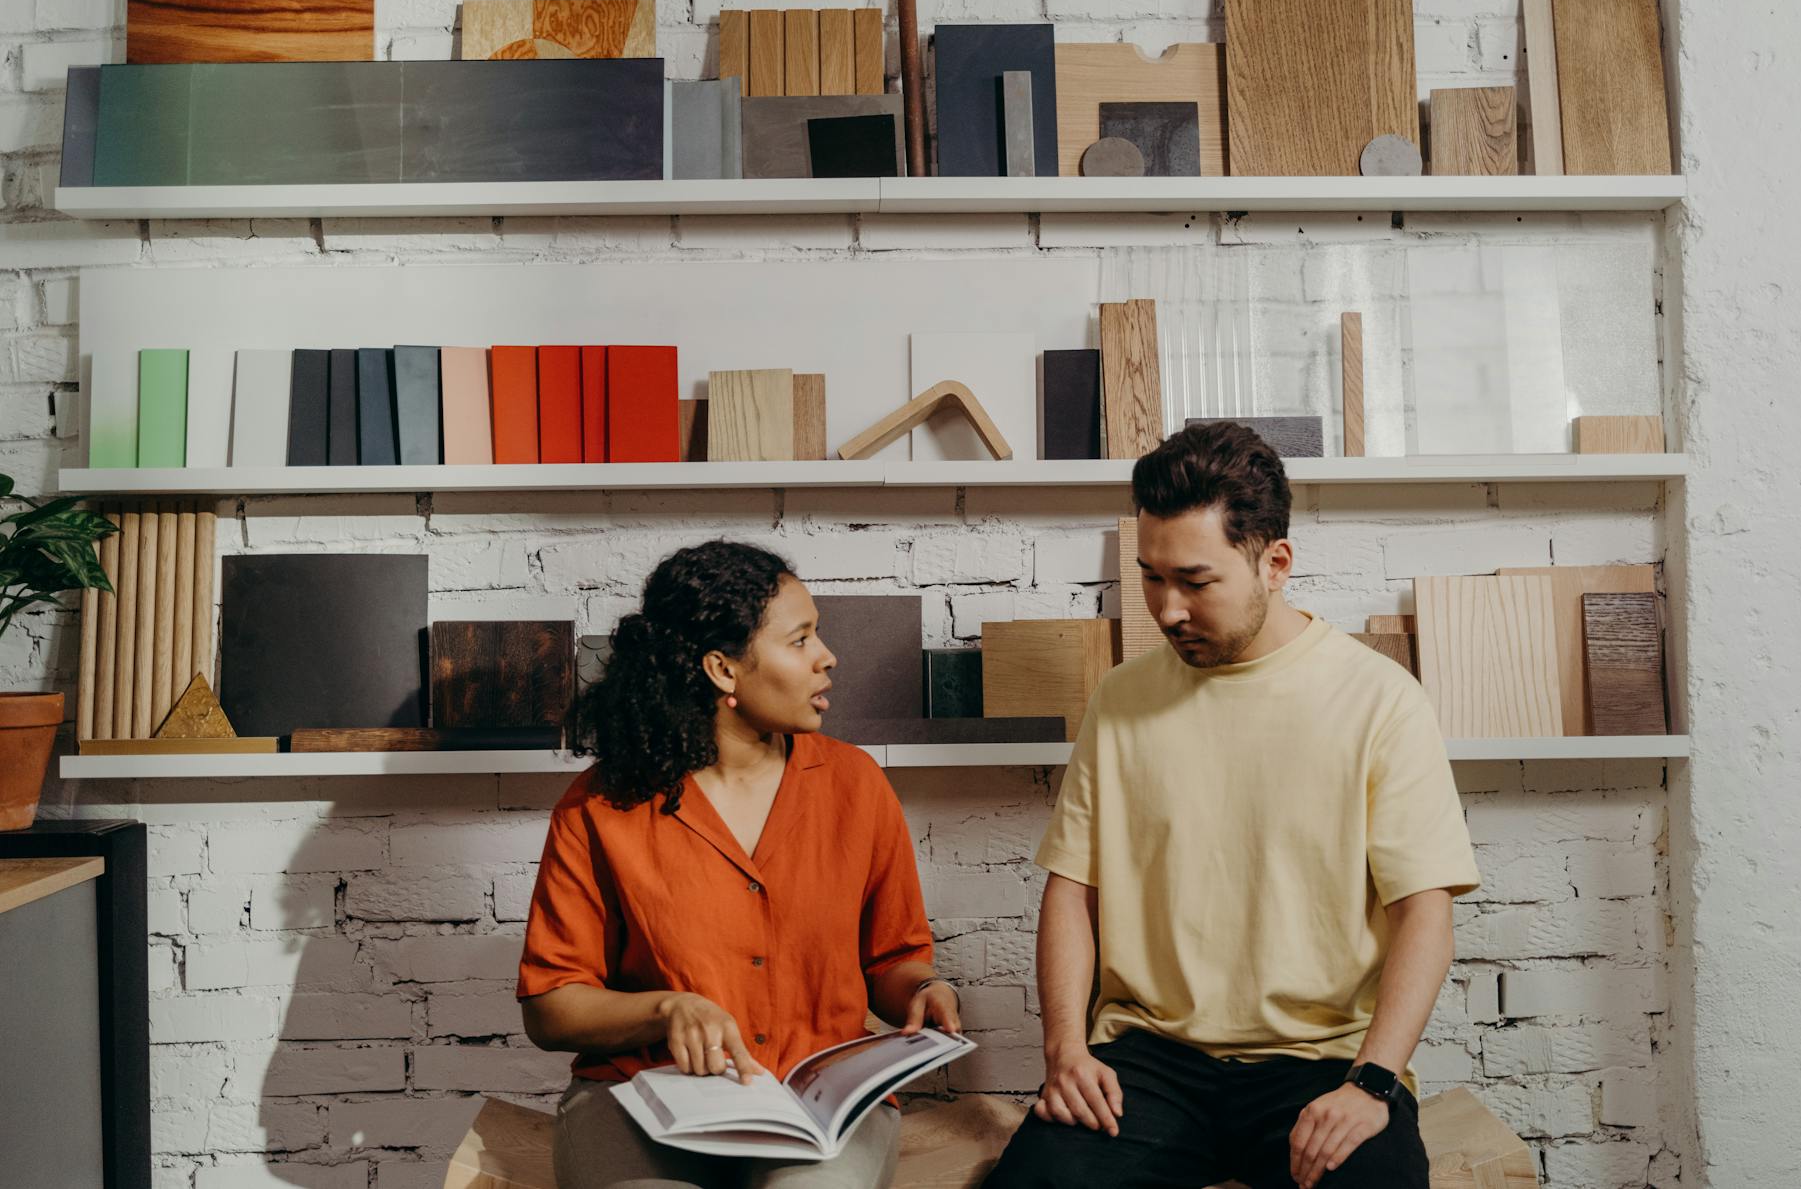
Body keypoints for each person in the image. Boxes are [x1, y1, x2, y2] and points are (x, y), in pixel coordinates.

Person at [984, 423, 1481, 1189]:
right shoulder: (1120, 700)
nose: (1168, 609)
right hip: (1146, 1061)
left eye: (1195, 579)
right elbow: (1071, 890)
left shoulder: (1380, 700)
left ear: (1275, 562)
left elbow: (1425, 913)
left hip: (1318, 1062)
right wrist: (1065, 1049)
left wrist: (1374, 1081)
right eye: (1151, 576)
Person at [517, 539, 961, 1189]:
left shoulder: (856, 785)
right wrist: (666, 1010)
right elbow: (550, 1006)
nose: (826, 656)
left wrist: (923, 991)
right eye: (801, 639)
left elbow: (893, 960)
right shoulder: (599, 806)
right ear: (724, 670)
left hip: (817, 1107)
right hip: (642, 1099)